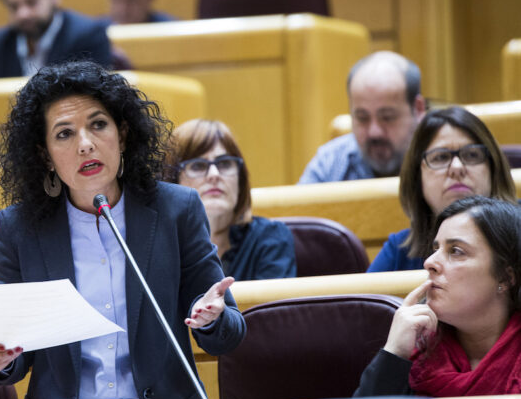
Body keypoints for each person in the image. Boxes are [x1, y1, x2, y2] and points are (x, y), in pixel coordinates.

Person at [0, 61, 245, 399]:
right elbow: (12, 360)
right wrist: (0, 357)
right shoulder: (19, 228)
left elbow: (231, 332)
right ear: (45, 155)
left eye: (98, 125)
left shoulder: (177, 210)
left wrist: (212, 319)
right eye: (64, 134)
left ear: (123, 134)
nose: (85, 144)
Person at [356, 196, 521, 396]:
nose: (429, 262)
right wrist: (394, 353)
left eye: (456, 251)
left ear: (505, 276)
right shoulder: (415, 350)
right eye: (435, 249)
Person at [368, 106, 516, 272]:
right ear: (418, 177)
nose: (457, 167)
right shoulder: (399, 251)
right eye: (440, 157)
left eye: (472, 155)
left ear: (493, 169)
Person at [164, 119, 296, 281]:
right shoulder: (157, 246)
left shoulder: (270, 239)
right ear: (172, 180)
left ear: (240, 179)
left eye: (225, 164)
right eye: (198, 166)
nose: (214, 174)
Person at [300, 51, 426, 183]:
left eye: (387, 117)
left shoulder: (444, 161)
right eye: (362, 118)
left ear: (418, 109)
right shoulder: (329, 163)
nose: (374, 132)